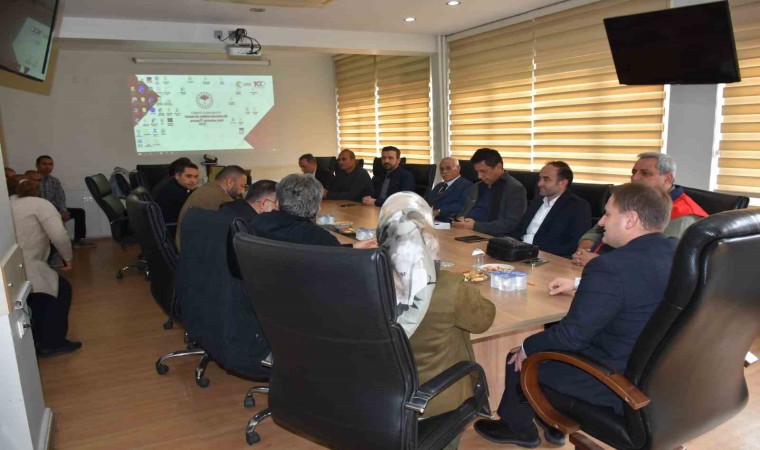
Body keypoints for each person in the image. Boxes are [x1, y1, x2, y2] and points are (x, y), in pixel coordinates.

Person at [474, 183, 677, 448]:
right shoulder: (677, 252)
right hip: (663, 377)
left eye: (608, 214)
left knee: (521, 356)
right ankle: (553, 426)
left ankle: (518, 428)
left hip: (615, 381)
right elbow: (640, 283)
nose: (601, 222)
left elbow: (571, 337)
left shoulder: (609, 267)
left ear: (631, 220)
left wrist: (526, 346)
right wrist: (579, 283)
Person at [573, 152, 708, 266]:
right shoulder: (633, 199)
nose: (635, 177)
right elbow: (598, 229)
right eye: (634, 172)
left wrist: (600, 261)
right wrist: (586, 247)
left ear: (668, 178)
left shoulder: (683, 215)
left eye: (645, 173)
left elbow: (657, 261)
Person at [11, 175, 82, 357]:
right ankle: (52, 343)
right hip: (29, 261)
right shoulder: (41, 204)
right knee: (59, 292)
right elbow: (59, 235)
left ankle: (37, 339)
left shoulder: (9, 202)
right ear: (37, 189)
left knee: (36, 298)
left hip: (13, 263)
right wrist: (67, 258)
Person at [252, 173, 377, 248]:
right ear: (317, 208)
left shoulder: (258, 222)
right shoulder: (318, 237)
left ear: (278, 201)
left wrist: (352, 247)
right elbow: (335, 257)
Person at [509, 162, 591, 257]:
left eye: (546, 179)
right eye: (540, 178)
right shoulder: (537, 201)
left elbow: (573, 244)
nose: (539, 183)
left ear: (562, 183)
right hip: (519, 251)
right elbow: (520, 229)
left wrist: (532, 251)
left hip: (546, 256)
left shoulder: (578, 206)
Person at [453, 148, 527, 236]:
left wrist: (475, 226)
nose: (479, 176)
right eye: (477, 172)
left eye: (483, 171)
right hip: (466, 232)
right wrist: (461, 219)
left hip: (491, 236)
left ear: (498, 167)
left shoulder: (514, 188)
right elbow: (464, 210)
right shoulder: (477, 187)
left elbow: (510, 224)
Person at [176, 165, 248, 248]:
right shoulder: (220, 199)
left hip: (190, 246)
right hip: (196, 249)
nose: (243, 191)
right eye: (242, 186)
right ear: (230, 182)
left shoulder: (209, 188)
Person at [36, 155, 94, 248]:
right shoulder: (31, 180)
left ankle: (78, 241)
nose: (47, 167)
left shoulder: (54, 181)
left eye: (50, 164)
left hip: (54, 210)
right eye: (44, 164)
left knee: (79, 212)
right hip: (38, 211)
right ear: (37, 165)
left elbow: (60, 197)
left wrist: (63, 210)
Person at [155, 160, 199, 238]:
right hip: (173, 230)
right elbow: (192, 212)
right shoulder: (174, 192)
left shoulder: (172, 185)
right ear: (177, 176)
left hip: (168, 227)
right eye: (188, 176)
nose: (193, 180)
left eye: (196, 177)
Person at [424, 157, 473, 222]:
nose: (444, 171)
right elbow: (426, 200)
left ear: (458, 168)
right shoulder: (439, 186)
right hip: (429, 220)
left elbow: (461, 205)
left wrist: (438, 212)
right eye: (441, 169)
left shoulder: (466, 185)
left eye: (448, 168)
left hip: (447, 222)